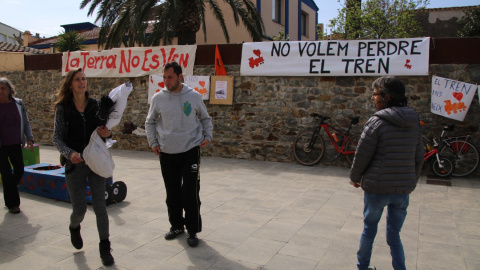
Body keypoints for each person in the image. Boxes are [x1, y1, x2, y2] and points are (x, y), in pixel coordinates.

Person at [349, 76, 424, 270]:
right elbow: (418, 155)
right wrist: (411, 180)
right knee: (394, 234)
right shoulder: (413, 120)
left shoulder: (377, 122)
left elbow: (362, 154)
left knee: (369, 230)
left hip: (377, 188)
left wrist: (355, 177)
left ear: (386, 96)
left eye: (375, 94)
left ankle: (362, 267)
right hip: (402, 190)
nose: (373, 98)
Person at [145, 61, 213, 247]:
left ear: (180, 76)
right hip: (167, 152)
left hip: (191, 150)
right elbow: (150, 122)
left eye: (170, 77)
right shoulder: (158, 98)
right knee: (172, 192)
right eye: (164, 77)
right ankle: (176, 226)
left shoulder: (194, 96)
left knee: (190, 192)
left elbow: (206, 118)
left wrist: (208, 135)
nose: (166, 81)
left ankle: (192, 230)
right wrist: (153, 142)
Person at [52, 68, 114, 266]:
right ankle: (74, 226)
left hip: (95, 162)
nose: (82, 82)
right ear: (70, 84)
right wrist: (69, 153)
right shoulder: (63, 108)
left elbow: (107, 133)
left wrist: (108, 134)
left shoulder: (96, 106)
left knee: (100, 207)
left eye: (84, 79)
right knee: (79, 208)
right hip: (74, 163)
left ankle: (105, 246)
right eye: (77, 79)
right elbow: (56, 138)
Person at [0, 77, 34, 214]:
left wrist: (30, 138)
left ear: (9, 90)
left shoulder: (19, 104)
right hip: (1, 147)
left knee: (20, 170)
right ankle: (13, 204)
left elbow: (26, 122)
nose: (0, 91)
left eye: (2, 88)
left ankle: (9, 191)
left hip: (15, 144)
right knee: (6, 174)